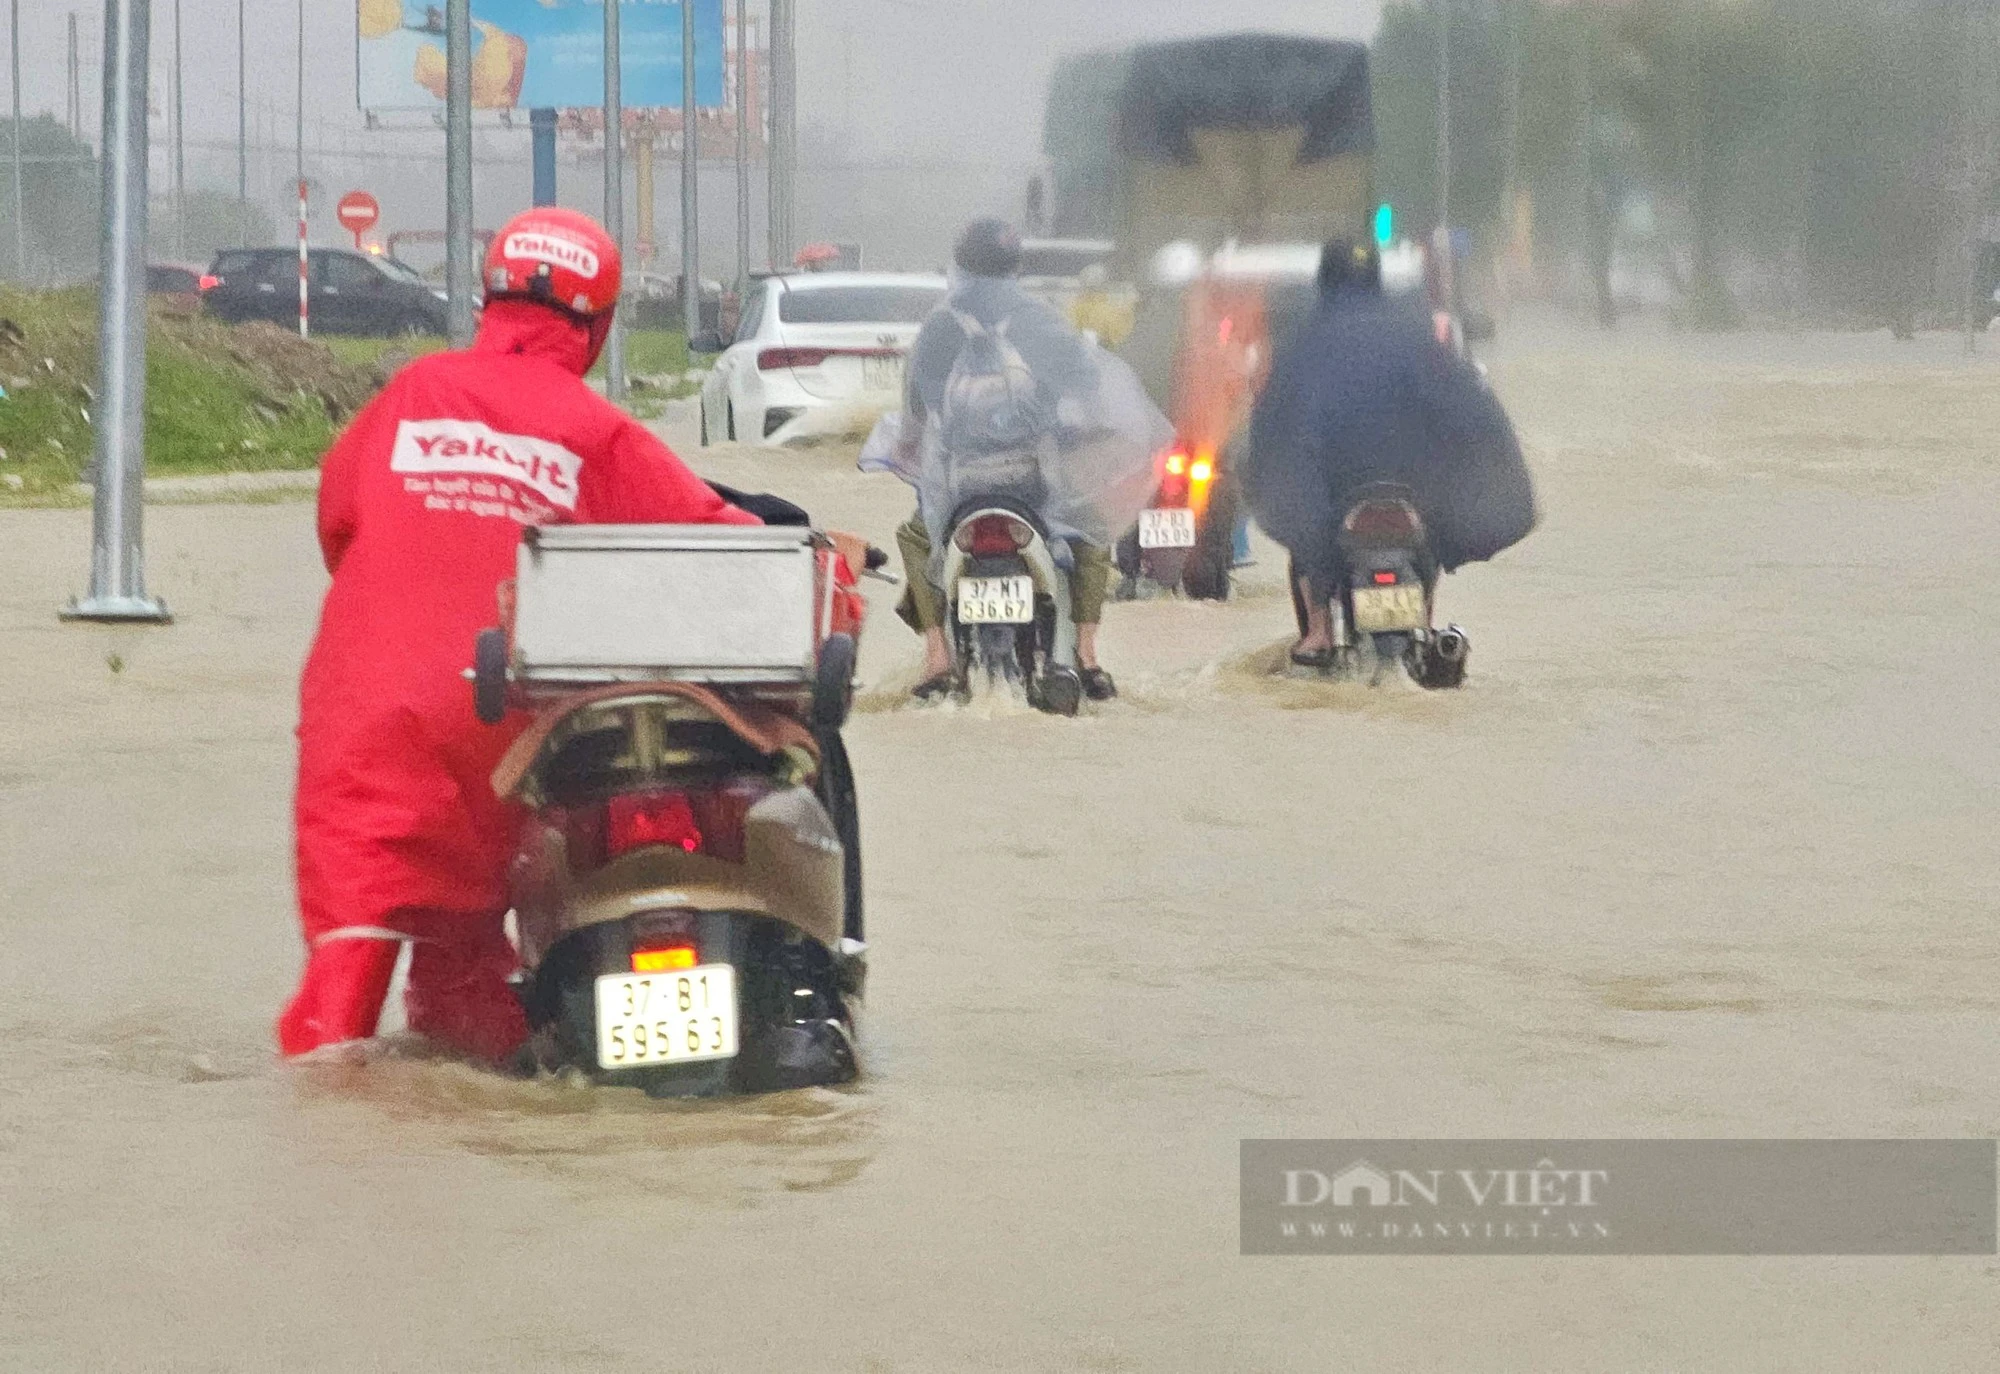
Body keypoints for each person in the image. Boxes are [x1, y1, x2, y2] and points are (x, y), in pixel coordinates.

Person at [281, 207, 760, 1064]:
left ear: (487, 299)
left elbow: (338, 521)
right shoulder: (594, 429)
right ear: (600, 324)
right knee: (471, 965)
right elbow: (717, 547)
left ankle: (330, 1153)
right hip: (513, 716)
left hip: (368, 713)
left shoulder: (409, 396)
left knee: (347, 972)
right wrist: (838, 574)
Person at [1245, 239, 1536, 667]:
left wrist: (1260, 473)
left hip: (1337, 497)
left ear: (1325, 282)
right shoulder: (1417, 339)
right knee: (1430, 535)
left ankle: (1319, 630)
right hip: (1411, 492)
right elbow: (1472, 412)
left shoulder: (1302, 345)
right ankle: (1426, 617)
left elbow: (1275, 429)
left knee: (1306, 533)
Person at [894, 218, 1122, 702]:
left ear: (962, 261)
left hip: (959, 490)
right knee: (1092, 531)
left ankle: (937, 655)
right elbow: (1084, 380)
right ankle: (1086, 653)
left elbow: (916, 406)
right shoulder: (1038, 317)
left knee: (917, 537)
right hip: (1033, 482)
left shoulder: (940, 323)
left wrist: (915, 443)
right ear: (1015, 264)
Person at [1068, 263, 1135, 348]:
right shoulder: (1077, 304)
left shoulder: (1108, 308)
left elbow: (1117, 333)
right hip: (1088, 347)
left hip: (1100, 349)